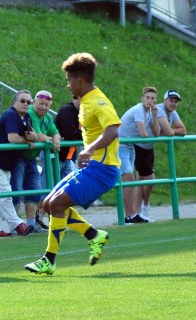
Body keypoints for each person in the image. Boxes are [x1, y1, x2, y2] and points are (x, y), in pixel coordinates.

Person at [25, 52, 120, 275]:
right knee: (48, 205)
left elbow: (114, 129)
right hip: (91, 167)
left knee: (57, 205)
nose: (67, 85)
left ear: (79, 80)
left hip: (103, 169)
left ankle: (48, 260)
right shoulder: (85, 101)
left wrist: (90, 148)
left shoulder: (98, 101)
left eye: (69, 81)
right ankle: (94, 236)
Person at [0, 90, 35, 238]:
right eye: (22, 101)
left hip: (5, 163)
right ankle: (17, 224)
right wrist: (27, 141)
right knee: (5, 194)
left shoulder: (26, 116)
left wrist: (32, 137)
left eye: (28, 102)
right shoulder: (11, 114)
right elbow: (12, 137)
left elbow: (32, 134)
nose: (26, 104)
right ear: (14, 102)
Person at [14, 90, 60, 232]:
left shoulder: (47, 117)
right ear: (34, 102)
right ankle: (15, 225)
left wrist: (56, 138)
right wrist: (52, 140)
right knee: (15, 192)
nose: (44, 107)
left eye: (47, 105)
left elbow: (55, 132)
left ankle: (31, 225)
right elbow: (38, 136)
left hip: (31, 158)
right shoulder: (30, 114)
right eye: (41, 104)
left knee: (34, 192)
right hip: (18, 157)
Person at [118, 87, 160, 224]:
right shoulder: (138, 110)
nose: (150, 100)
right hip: (120, 145)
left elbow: (157, 133)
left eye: (153, 98)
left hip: (130, 146)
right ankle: (130, 215)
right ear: (142, 98)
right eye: (147, 97)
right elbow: (143, 133)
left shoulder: (149, 113)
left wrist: (155, 116)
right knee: (129, 179)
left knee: (129, 181)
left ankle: (131, 215)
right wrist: (150, 136)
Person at [142, 90, 186, 219]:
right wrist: (168, 131)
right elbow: (170, 132)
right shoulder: (160, 109)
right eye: (171, 100)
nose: (173, 104)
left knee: (142, 180)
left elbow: (183, 130)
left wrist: (167, 131)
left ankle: (141, 209)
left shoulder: (172, 112)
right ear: (164, 100)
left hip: (148, 147)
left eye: (175, 101)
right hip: (139, 145)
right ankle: (141, 209)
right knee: (147, 179)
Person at [54, 96, 82, 179]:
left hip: (68, 157)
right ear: (74, 99)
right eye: (80, 99)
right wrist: (82, 135)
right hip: (57, 155)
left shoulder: (80, 112)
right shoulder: (67, 110)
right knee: (50, 184)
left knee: (69, 185)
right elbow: (69, 134)